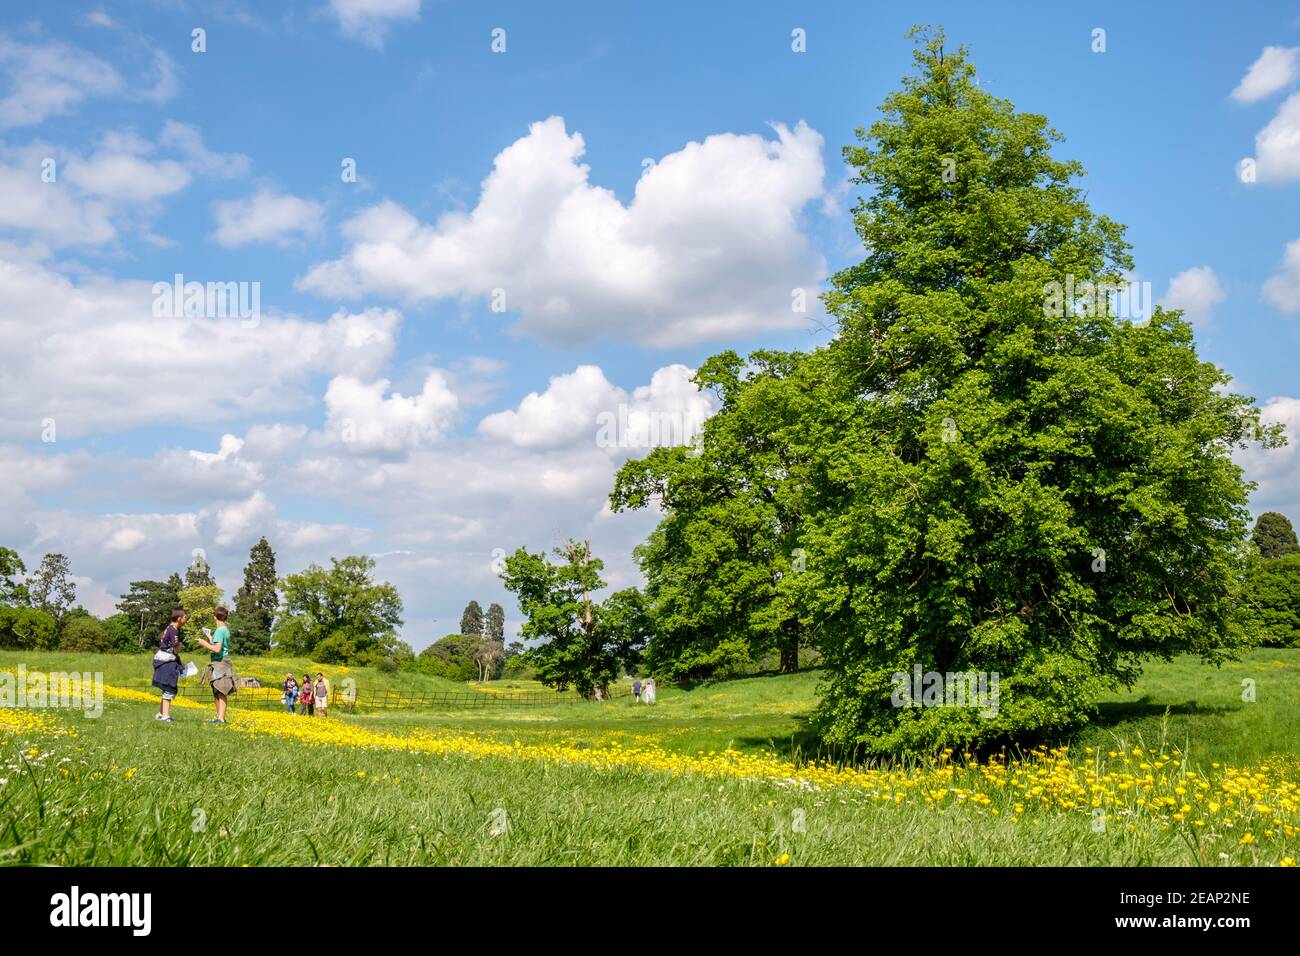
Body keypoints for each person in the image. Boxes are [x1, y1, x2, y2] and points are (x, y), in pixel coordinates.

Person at [193, 606, 236, 724]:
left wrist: (204, 643)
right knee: (217, 690)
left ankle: (221, 718)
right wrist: (211, 638)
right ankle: (219, 717)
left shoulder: (219, 630)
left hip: (220, 663)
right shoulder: (224, 629)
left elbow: (217, 649)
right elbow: (221, 645)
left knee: (221, 690)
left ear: (214, 617)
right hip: (222, 663)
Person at [151, 609, 187, 722]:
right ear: (179, 618)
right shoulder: (174, 631)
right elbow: (176, 650)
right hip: (167, 661)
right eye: (185, 617)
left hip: (163, 659)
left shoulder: (170, 627)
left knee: (165, 688)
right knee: (169, 687)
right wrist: (181, 644)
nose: (186, 619)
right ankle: (165, 716)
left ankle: (161, 714)